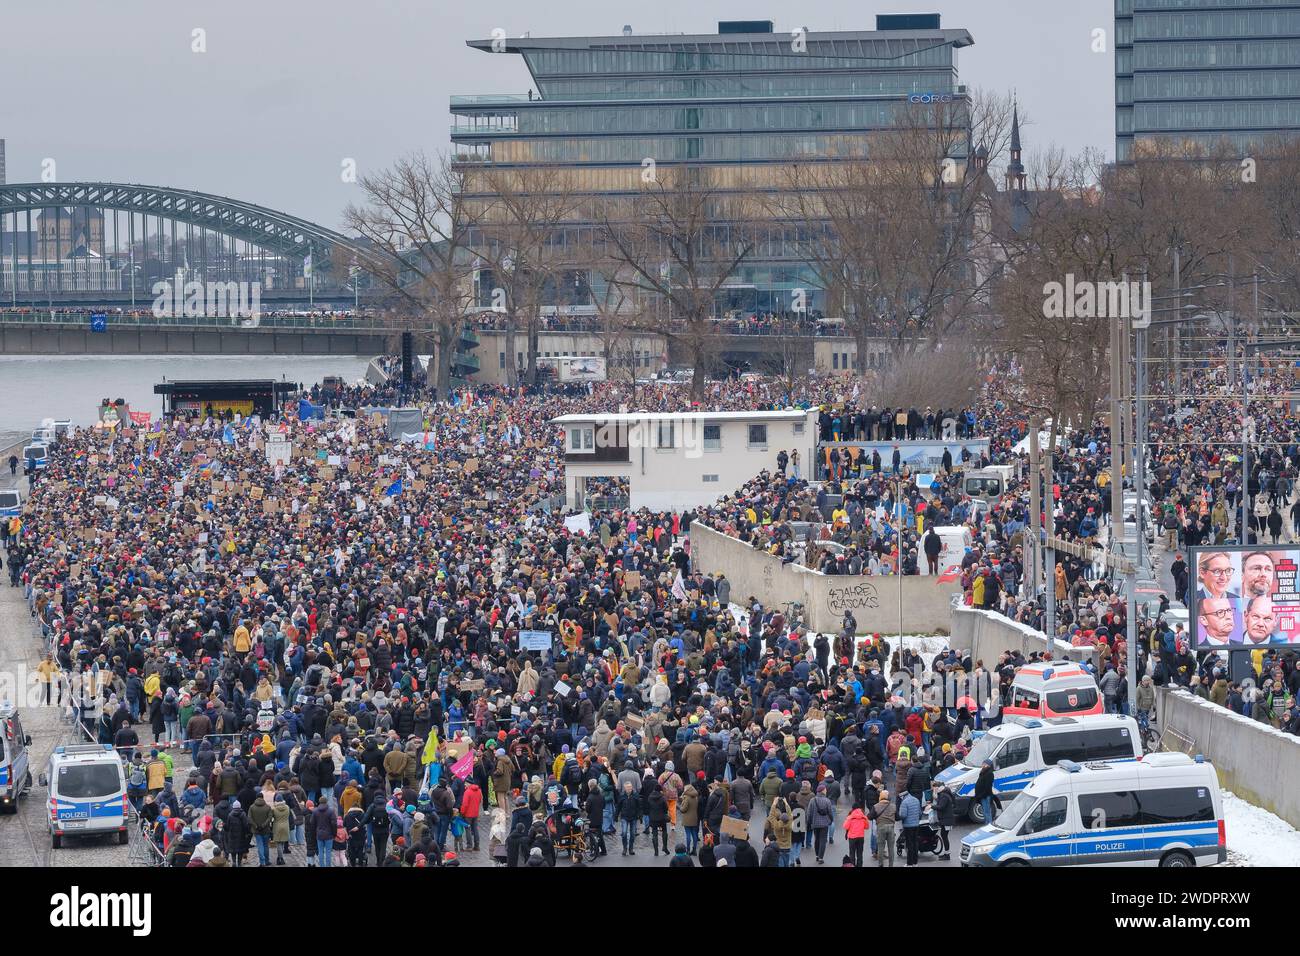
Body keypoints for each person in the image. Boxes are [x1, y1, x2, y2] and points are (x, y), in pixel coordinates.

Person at [868, 789, 895, 867]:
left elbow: (869, 817)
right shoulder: (893, 806)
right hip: (891, 827)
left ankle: (881, 864)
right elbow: (897, 817)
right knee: (891, 848)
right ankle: (891, 865)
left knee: (880, 847)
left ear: (880, 797)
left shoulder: (876, 806)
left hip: (881, 827)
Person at [899, 788, 922, 867]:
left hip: (908, 826)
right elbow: (920, 813)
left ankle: (909, 863)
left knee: (909, 845)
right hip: (916, 825)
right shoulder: (916, 800)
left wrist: (900, 816)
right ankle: (915, 863)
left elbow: (903, 815)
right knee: (915, 844)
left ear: (903, 796)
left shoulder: (904, 802)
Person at [842, 801, 869, 867]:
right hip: (860, 837)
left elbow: (845, 826)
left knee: (852, 853)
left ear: (853, 808)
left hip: (852, 838)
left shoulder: (850, 817)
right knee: (860, 853)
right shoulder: (863, 817)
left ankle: (852, 865)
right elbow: (867, 827)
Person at [973, 759, 995, 826]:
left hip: (985, 796)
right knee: (985, 811)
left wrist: (982, 795)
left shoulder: (989, 773)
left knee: (987, 812)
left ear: (988, 765)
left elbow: (988, 787)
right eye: (983, 763)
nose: (983, 765)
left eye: (984, 764)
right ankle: (987, 823)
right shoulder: (983, 772)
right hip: (982, 795)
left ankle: (989, 825)